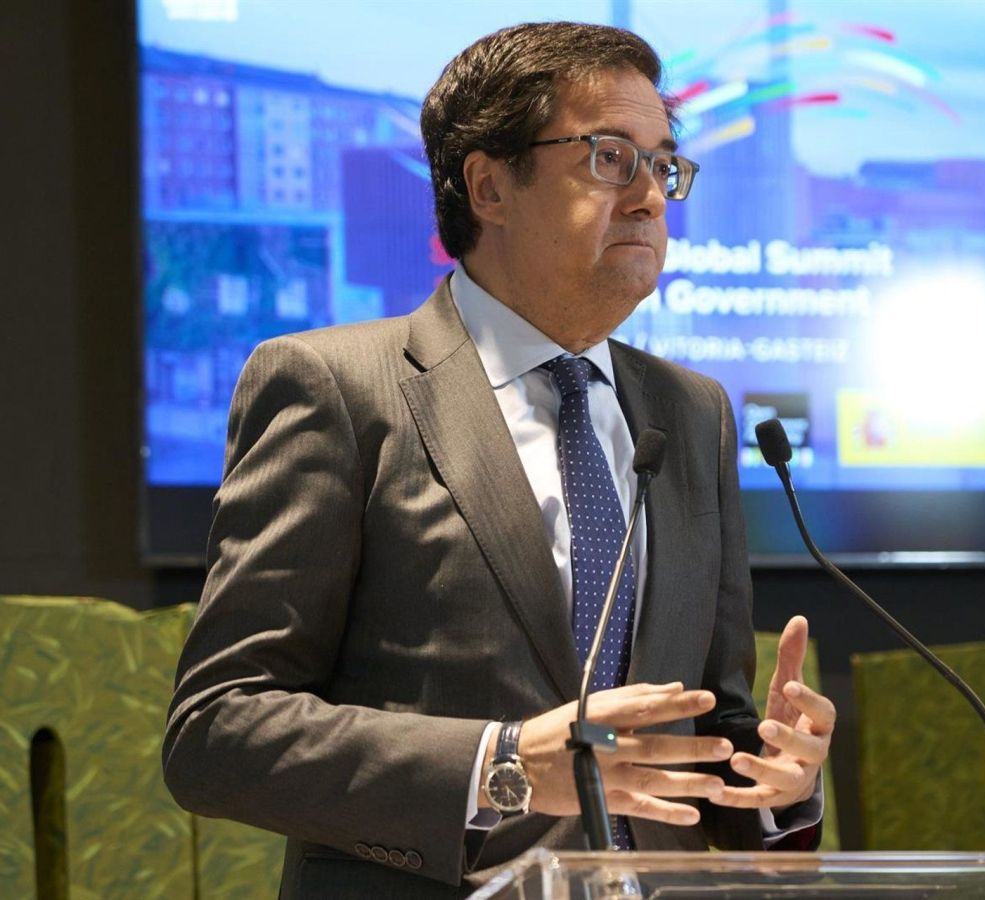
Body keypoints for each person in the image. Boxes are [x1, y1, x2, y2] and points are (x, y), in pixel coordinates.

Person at [162, 21, 835, 899]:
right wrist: (501, 766)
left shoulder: (692, 412)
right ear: (489, 186)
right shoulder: (338, 389)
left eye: (664, 165)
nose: (650, 198)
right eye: (609, 158)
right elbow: (217, 733)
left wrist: (777, 779)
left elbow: (700, 734)